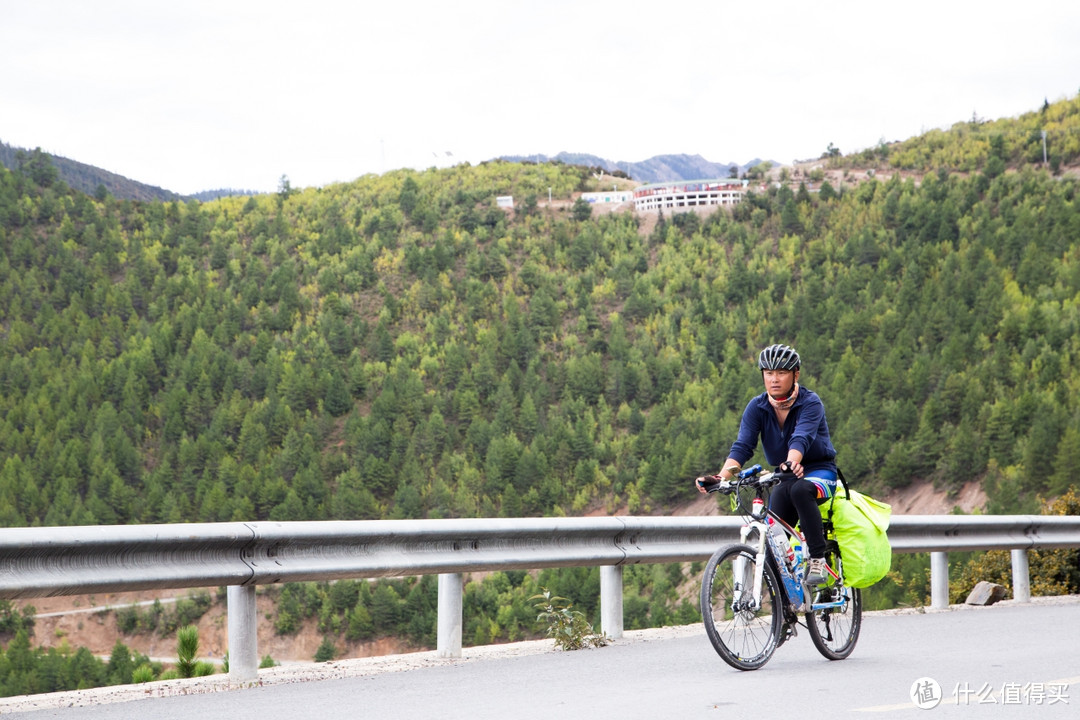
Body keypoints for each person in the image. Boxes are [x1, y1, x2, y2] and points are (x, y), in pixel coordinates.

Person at [696, 343, 838, 585]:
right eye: (769, 373)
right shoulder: (757, 407)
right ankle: (785, 614)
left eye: (781, 372)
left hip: (819, 472)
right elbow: (742, 447)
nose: (774, 379)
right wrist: (721, 478)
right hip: (784, 476)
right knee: (773, 550)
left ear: (796, 374)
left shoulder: (810, 402)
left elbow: (801, 438)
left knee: (801, 489)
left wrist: (791, 462)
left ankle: (817, 559)